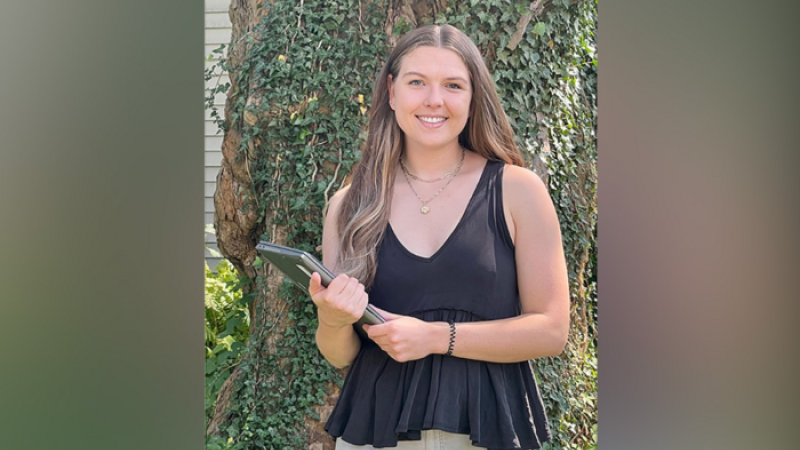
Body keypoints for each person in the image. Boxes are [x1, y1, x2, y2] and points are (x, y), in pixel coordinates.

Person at [308, 24, 570, 450]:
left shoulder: (517, 190)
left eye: (452, 85)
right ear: (392, 93)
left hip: (487, 430)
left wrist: (435, 337)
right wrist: (333, 319)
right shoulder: (349, 206)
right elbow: (342, 355)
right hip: (377, 433)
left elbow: (551, 331)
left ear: (472, 97)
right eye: (417, 83)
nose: (434, 100)